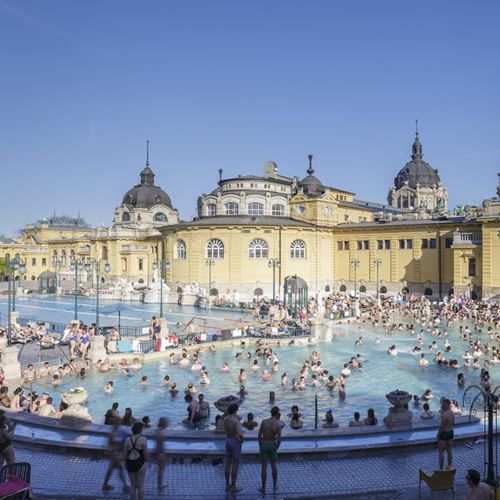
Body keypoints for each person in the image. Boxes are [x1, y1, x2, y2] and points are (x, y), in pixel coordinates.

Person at [258, 406, 282, 495]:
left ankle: (263, 487)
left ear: (271, 412)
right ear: (277, 413)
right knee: (274, 466)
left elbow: (259, 436)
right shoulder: (278, 424)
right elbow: (279, 439)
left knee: (264, 467)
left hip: (264, 444)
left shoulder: (264, 422)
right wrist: (276, 447)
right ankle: (274, 485)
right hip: (272, 444)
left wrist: (260, 446)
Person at [102, 422, 129, 493]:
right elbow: (110, 444)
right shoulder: (113, 433)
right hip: (114, 454)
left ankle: (105, 484)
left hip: (114, 454)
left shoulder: (117, 432)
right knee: (120, 468)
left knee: (111, 469)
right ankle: (125, 486)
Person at [124, 421, 149, 500]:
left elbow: (125, 454)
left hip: (130, 463)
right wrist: (149, 461)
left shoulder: (128, 440)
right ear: (140, 429)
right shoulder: (143, 439)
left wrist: (125, 465)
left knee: (133, 485)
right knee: (140, 486)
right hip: (140, 463)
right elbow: (145, 453)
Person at [223, 403, 243, 493]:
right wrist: (241, 440)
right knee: (235, 464)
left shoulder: (225, 419)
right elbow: (240, 434)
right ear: (235, 411)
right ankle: (233, 486)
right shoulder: (236, 421)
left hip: (228, 440)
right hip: (235, 441)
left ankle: (227, 485)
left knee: (228, 463)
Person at [437, 398, 455, 470]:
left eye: (443, 404)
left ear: (446, 405)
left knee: (441, 452)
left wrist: (438, 435)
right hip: (451, 432)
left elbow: (442, 426)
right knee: (449, 450)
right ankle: (449, 467)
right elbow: (453, 423)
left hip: (444, 433)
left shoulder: (445, 415)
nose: (441, 405)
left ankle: (441, 469)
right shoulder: (451, 413)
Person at [155, 417, 168, 490]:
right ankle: (160, 484)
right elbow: (160, 445)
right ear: (163, 423)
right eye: (166, 423)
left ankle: (160, 483)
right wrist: (163, 454)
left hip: (158, 452)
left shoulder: (157, 430)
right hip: (160, 453)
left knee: (160, 469)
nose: (167, 424)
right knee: (161, 469)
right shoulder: (161, 432)